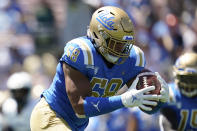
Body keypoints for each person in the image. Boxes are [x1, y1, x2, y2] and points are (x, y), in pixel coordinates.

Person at [30, 6, 169, 131]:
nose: (122, 51)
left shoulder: (133, 59)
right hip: (51, 115)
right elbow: (80, 106)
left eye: (126, 44)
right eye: (116, 44)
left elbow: (145, 104)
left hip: (77, 125)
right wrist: (124, 100)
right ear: (98, 36)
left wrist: (159, 99)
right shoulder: (81, 52)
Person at [159, 52, 197, 131]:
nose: (188, 83)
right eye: (185, 78)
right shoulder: (170, 94)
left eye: (192, 78)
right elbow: (167, 127)